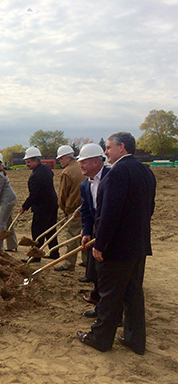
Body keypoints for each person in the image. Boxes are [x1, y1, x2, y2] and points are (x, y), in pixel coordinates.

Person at [77, 132, 156, 355]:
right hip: (138, 245)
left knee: (110, 295)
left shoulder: (117, 173)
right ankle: (134, 339)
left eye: (109, 147)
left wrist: (100, 244)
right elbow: (149, 208)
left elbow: (109, 214)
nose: (106, 152)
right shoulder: (146, 171)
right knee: (133, 294)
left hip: (117, 249)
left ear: (122, 147)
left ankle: (100, 338)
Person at [76, 143, 110, 318]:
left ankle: (112, 313)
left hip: (112, 233)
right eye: (80, 162)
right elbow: (87, 211)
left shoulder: (111, 178)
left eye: (84, 162)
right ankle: (99, 305)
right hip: (98, 230)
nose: (80, 165)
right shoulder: (84, 185)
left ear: (96, 162)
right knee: (98, 270)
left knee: (109, 274)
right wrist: (87, 231)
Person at [19, 146, 59, 263]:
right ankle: (54, 253)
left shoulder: (34, 176)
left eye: (29, 162)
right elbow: (51, 176)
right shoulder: (46, 167)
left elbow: (33, 195)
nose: (27, 164)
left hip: (42, 207)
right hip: (52, 203)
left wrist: (24, 207)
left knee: (37, 232)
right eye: (26, 162)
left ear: (36, 160)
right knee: (51, 229)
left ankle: (35, 256)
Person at [54, 145, 87, 272]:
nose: (60, 161)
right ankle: (86, 261)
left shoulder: (67, 172)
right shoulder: (81, 167)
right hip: (87, 207)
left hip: (75, 208)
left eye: (61, 159)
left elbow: (63, 194)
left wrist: (64, 209)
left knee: (72, 236)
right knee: (87, 233)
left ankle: (68, 264)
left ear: (68, 157)